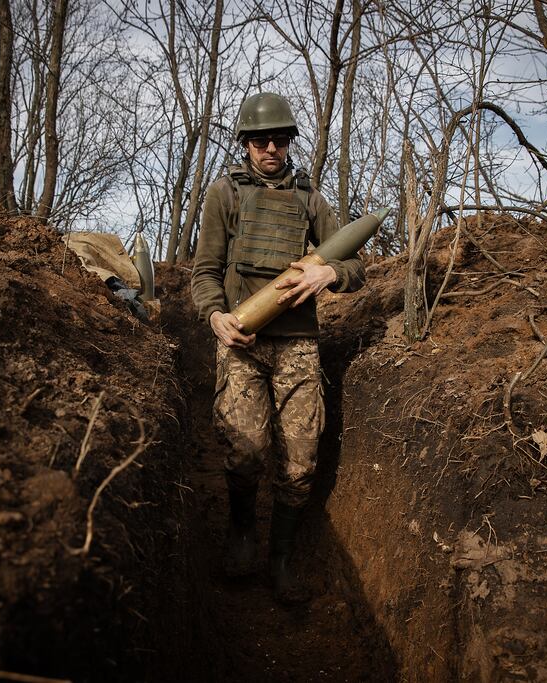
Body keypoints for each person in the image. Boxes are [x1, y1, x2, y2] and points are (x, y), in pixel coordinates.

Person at [191, 92, 365, 603]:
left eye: (280, 139)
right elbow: (204, 272)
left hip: (299, 347)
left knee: (301, 463)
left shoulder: (312, 200)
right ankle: (242, 532)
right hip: (241, 341)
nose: (271, 148)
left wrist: (331, 271)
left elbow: (356, 264)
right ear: (245, 143)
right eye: (261, 140)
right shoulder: (224, 194)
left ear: (289, 142)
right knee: (245, 454)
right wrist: (216, 317)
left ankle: (282, 556)